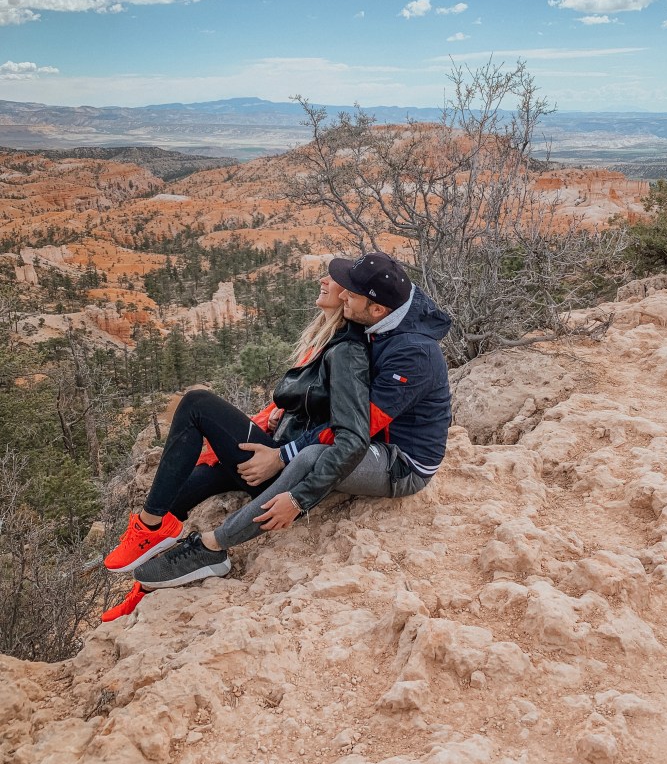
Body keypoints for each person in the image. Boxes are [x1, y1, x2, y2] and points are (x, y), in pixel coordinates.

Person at [108, 252, 452, 596]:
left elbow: (358, 429)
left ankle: (212, 547)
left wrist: (293, 484)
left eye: (350, 292)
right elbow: (342, 411)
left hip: (400, 461)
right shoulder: (385, 312)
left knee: (312, 457)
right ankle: (151, 533)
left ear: (376, 310)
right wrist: (277, 416)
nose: (342, 293)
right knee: (218, 461)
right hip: (352, 436)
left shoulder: (412, 353)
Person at [101, 271, 370, 619]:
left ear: (349, 294)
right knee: (181, 493)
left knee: (197, 403)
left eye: (333, 279)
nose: (322, 279)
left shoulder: (347, 350)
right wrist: (277, 414)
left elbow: (343, 425)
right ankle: (145, 584)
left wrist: (280, 454)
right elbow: (315, 401)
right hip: (275, 449)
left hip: (285, 469)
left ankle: (149, 526)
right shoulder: (326, 337)